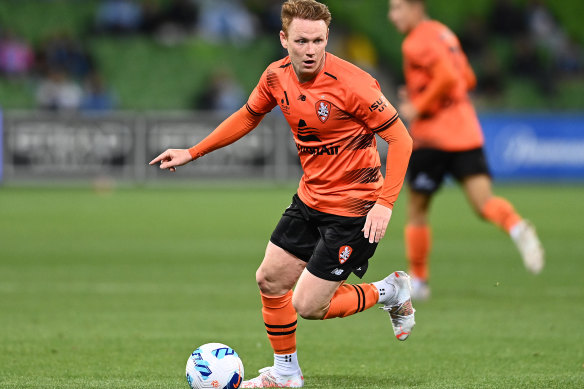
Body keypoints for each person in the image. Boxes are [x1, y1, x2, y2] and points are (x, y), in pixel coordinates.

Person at [150, 1, 414, 387]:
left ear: (327, 38)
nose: (311, 49)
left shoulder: (354, 84)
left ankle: (389, 290)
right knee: (270, 279)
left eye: (319, 40)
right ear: (283, 39)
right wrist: (193, 152)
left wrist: (385, 203)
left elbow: (401, 139)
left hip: (355, 207)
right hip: (310, 199)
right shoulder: (276, 76)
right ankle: (286, 373)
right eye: (302, 40)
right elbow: (247, 114)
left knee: (308, 305)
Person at [387, 0, 545, 300]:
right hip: (465, 131)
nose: (392, 16)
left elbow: (446, 77)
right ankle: (516, 226)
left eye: (397, 8)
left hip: (433, 136)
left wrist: (419, 104)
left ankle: (419, 281)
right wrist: (423, 90)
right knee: (484, 203)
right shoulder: (445, 34)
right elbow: (466, 78)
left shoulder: (415, 42)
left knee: (417, 210)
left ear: (416, 7)